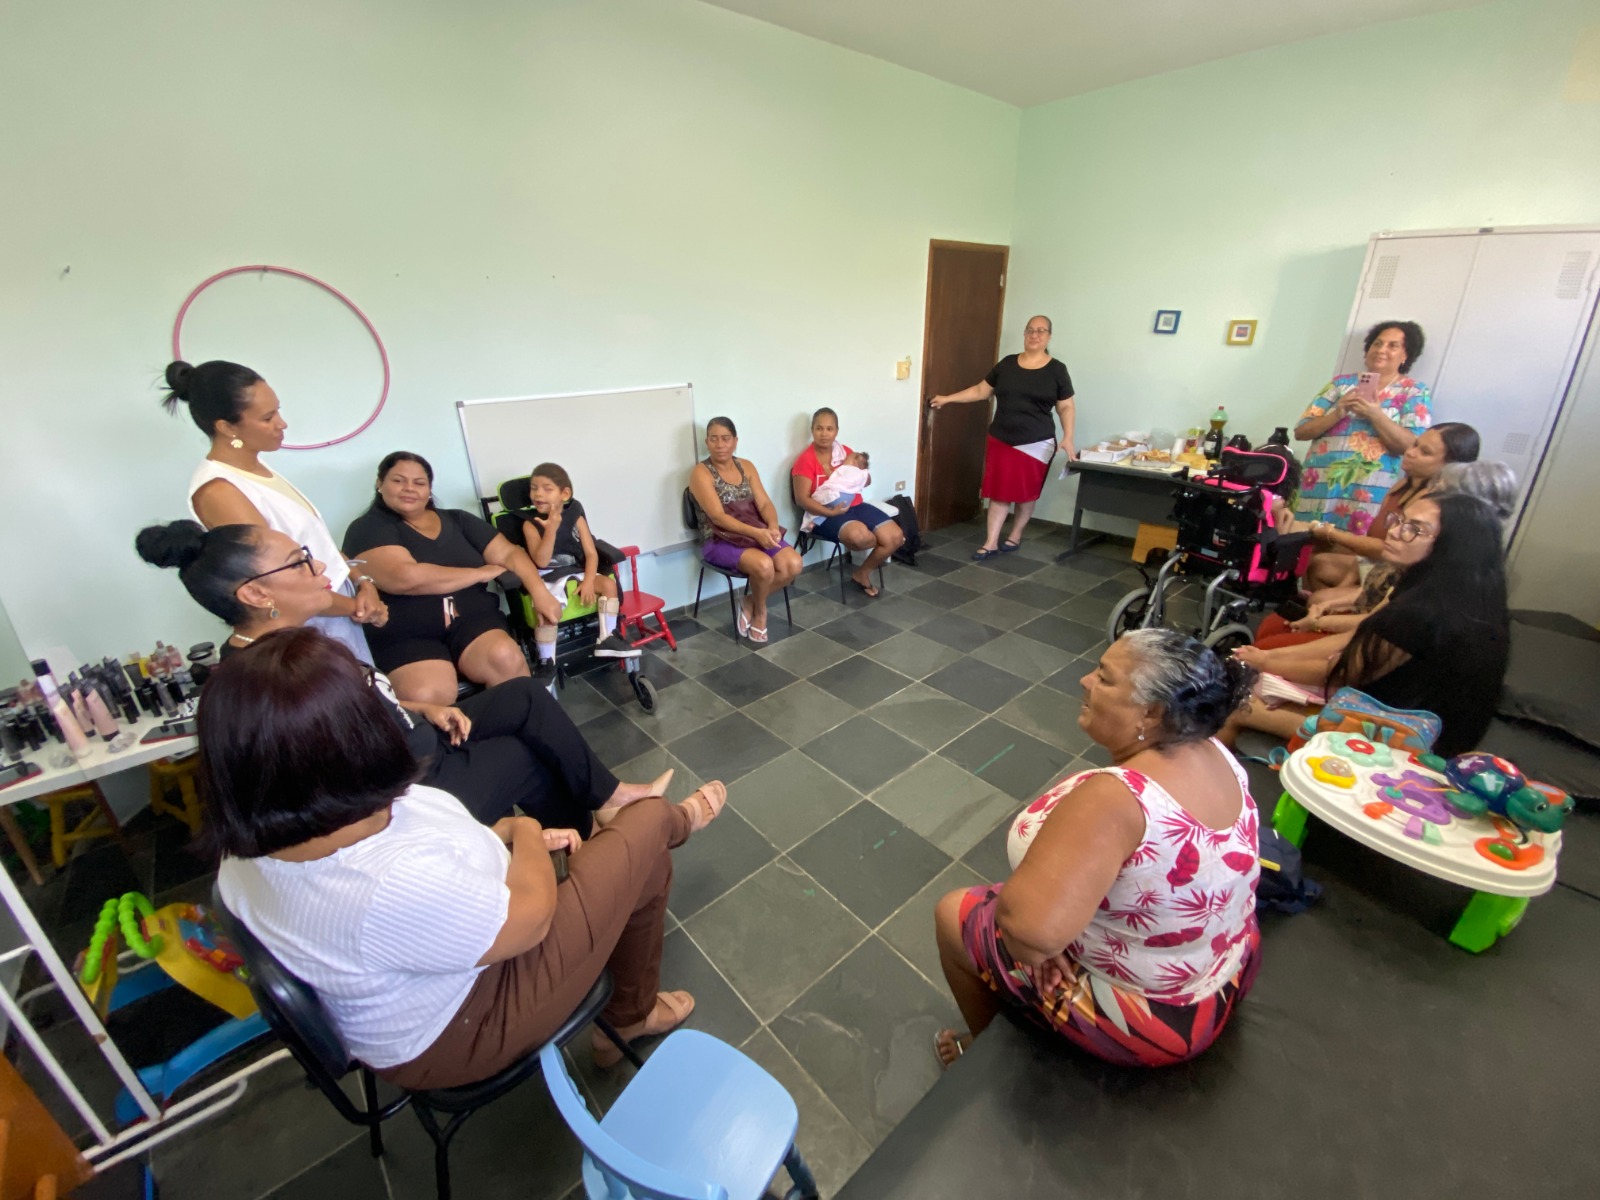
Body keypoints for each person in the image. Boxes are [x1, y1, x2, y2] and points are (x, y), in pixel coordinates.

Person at [208, 627, 727, 1089]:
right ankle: (675, 833)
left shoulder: (256, 844)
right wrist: (524, 831)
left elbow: (426, 854)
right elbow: (530, 919)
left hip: (452, 955)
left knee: (635, 855)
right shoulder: (380, 882)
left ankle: (631, 1008)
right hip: (468, 1020)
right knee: (649, 824)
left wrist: (496, 834)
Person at [136, 520, 670, 833]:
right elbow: (347, 782)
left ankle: (609, 798)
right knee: (523, 756)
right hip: (407, 787)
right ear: (255, 593)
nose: (321, 570)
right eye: (300, 563)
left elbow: (366, 703)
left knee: (524, 695)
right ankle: (590, 842)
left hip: (415, 736)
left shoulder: (297, 646)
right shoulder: (272, 679)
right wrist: (429, 741)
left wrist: (422, 709)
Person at [934, 630, 1260, 1068]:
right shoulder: (1213, 748)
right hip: (1224, 964)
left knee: (952, 914)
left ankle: (980, 1053)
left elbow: (1030, 937)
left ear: (1152, 711)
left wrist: (1040, 943)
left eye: (1104, 678)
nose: (1085, 681)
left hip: (1158, 1017)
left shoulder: (1117, 799)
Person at [1227, 493, 1510, 757]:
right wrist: (1266, 657)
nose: (1395, 531)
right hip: (1396, 712)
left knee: (1232, 702)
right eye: (1399, 521)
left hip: (1412, 741)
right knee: (1252, 674)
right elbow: (1357, 636)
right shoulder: (1442, 585)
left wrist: (1265, 662)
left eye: (1415, 529)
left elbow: (1341, 672)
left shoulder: (1426, 609)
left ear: (1453, 546)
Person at [162, 359, 385, 664]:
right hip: (311, 620)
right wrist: (359, 608)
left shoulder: (258, 468)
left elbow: (316, 544)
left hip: (337, 602)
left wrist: (361, 582)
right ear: (226, 427)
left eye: (277, 411)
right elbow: (278, 583)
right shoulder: (220, 491)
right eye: (268, 418)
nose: (282, 424)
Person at [341, 452, 567, 706]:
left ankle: (520, 724)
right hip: (408, 632)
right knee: (427, 693)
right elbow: (406, 577)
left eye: (419, 482)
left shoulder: (458, 519)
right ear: (379, 483)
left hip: (471, 619)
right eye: (398, 481)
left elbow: (510, 554)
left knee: (506, 659)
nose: (409, 488)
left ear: (429, 489)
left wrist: (540, 593)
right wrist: (480, 573)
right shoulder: (367, 528)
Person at [929, 315, 1076, 560]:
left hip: (1037, 442)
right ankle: (990, 542)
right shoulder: (1007, 364)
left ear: (1049, 336)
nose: (1035, 335)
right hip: (1001, 438)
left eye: (1041, 330)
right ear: (1024, 334)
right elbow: (981, 390)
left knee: (1026, 493)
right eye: (1030, 330)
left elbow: (1066, 406)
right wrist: (947, 398)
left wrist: (1068, 436)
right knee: (999, 492)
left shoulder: (1057, 370)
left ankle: (1015, 535)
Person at [1293, 322, 1433, 532]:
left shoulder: (1414, 392)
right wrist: (1338, 412)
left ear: (1406, 355)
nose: (1381, 350)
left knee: (1354, 546)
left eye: (1393, 345)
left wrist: (1375, 414)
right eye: (1377, 343)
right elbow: (1301, 432)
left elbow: (1412, 446)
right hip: (1320, 486)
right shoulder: (1339, 384)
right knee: (1307, 541)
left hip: (1370, 494)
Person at [689, 417, 803, 643]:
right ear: (707, 442)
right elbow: (718, 517)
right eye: (714, 439)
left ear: (735, 441)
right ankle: (761, 613)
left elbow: (764, 503)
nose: (720, 445)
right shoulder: (701, 472)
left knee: (793, 564)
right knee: (764, 565)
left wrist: (772, 526)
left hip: (755, 533)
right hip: (719, 540)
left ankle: (749, 601)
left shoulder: (746, 466)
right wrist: (758, 533)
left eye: (725, 439)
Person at [518, 462, 641, 667]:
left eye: (547, 489)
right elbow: (541, 560)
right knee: (548, 612)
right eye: (534, 488)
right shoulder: (530, 524)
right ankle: (546, 661)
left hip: (575, 571)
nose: (538, 494)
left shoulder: (576, 517)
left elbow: (591, 554)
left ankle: (607, 638)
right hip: (547, 577)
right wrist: (551, 529)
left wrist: (589, 581)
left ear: (564, 494)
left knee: (608, 584)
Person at [791, 409, 903, 596]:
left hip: (855, 505)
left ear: (837, 431)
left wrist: (861, 476)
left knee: (896, 536)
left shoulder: (846, 453)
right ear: (812, 430)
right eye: (819, 428)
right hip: (823, 514)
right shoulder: (806, 460)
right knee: (861, 537)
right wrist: (830, 513)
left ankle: (862, 573)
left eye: (829, 429)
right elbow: (801, 499)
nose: (824, 433)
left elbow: (866, 480)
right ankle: (883, 545)